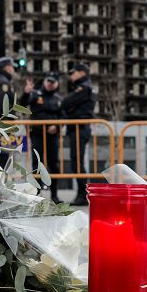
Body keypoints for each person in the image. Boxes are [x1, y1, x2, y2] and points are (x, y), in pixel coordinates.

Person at [20, 74, 62, 203]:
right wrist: (26, 93)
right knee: (37, 164)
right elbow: (22, 104)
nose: (50, 84)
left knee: (54, 164)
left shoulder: (58, 99)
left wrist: (57, 126)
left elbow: (63, 116)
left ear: (56, 84)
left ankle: (54, 194)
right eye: (48, 81)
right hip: (37, 134)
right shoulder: (35, 94)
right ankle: (37, 194)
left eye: (53, 82)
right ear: (44, 82)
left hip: (52, 136)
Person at [61, 63, 96, 206]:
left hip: (80, 128)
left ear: (82, 73)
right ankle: (82, 193)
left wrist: (69, 108)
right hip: (77, 128)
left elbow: (65, 103)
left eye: (73, 72)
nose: (71, 76)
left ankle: (83, 194)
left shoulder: (84, 87)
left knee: (77, 161)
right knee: (76, 161)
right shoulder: (82, 87)